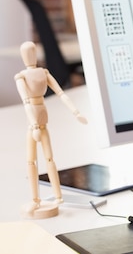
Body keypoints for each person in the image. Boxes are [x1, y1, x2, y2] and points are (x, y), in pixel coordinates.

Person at [15, 41, 88, 219]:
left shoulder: (39, 73)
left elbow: (61, 93)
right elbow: (26, 101)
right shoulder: (23, 76)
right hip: (36, 117)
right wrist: (33, 125)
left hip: (38, 117)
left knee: (46, 159)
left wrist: (76, 112)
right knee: (35, 160)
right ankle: (37, 198)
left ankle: (57, 196)